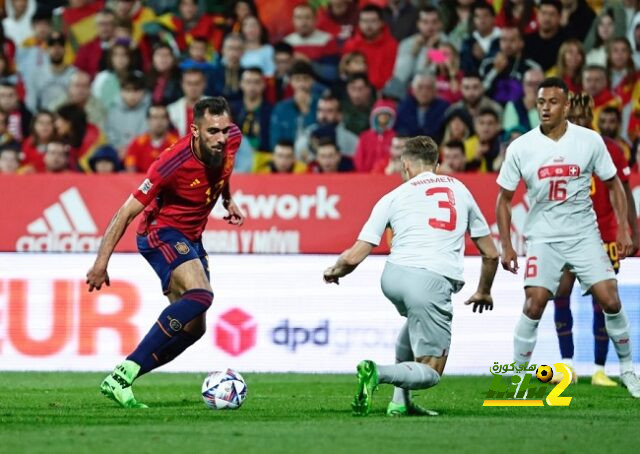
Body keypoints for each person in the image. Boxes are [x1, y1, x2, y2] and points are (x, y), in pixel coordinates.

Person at [86, 97, 245, 408]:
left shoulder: (231, 141)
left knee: (194, 327)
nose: (222, 138)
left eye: (225, 130)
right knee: (202, 295)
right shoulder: (170, 163)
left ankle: (120, 381)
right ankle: (125, 371)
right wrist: (100, 263)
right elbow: (125, 213)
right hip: (160, 233)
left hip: (193, 236)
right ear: (195, 131)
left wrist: (227, 199)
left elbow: (223, 172)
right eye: (213, 131)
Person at [323, 135, 499, 416]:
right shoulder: (460, 190)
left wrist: (335, 270)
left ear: (405, 165)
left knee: (412, 329)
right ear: (438, 165)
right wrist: (484, 290)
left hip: (393, 277)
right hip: (430, 280)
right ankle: (377, 373)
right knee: (431, 371)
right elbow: (490, 253)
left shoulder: (393, 196)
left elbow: (357, 253)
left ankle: (400, 402)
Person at [495, 77, 640, 398]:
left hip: (584, 234)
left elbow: (615, 184)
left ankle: (628, 370)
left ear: (567, 105)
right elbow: (503, 199)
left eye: (553, 102)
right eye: (541, 102)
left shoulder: (589, 141)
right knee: (534, 304)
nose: (546, 108)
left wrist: (624, 228)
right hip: (543, 237)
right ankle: (516, 377)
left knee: (611, 299)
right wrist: (506, 245)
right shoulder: (522, 146)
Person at [549, 92, 638, 386]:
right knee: (561, 291)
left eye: (583, 116)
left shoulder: (609, 148)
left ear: (591, 117)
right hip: (565, 232)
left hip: (604, 234)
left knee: (604, 300)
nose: (578, 121)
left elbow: (623, 192)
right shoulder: (553, 147)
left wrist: (631, 230)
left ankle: (600, 368)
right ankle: (567, 365)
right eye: (573, 117)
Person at [124, 104, 178, 173]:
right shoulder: (137, 143)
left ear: (168, 120)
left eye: (163, 117)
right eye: (155, 117)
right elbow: (130, 168)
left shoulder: (176, 143)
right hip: (140, 182)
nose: (159, 121)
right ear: (148, 120)